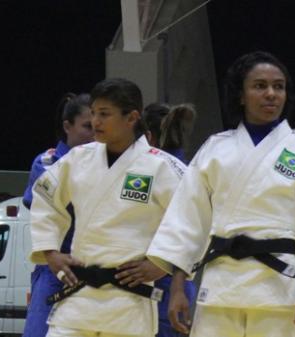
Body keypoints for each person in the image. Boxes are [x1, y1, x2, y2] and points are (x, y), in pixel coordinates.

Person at [146, 51, 295, 337]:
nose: (271, 94)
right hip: (220, 288)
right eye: (260, 86)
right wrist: (178, 288)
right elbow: (186, 220)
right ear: (241, 95)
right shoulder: (216, 148)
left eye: (278, 87)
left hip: (279, 289)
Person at [29, 78, 187, 337]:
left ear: (131, 117)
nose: (95, 122)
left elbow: (193, 217)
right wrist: (50, 251)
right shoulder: (78, 159)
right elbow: (44, 198)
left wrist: (165, 263)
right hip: (79, 296)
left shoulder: (162, 167)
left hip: (129, 302)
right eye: (93, 113)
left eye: (104, 114)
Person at [22, 92, 94, 337]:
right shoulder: (48, 162)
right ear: (67, 126)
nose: (94, 133)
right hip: (56, 265)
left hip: (97, 268)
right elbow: (43, 212)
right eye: (87, 126)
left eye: (98, 126)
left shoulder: (107, 164)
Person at [142, 102, 198, 337]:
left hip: (164, 280)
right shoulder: (190, 169)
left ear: (147, 136)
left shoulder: (155, 170)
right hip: (178, 281)